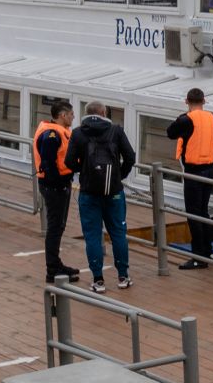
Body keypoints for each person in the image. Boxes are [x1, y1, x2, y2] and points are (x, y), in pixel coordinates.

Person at [67, 102, 136, 293]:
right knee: (118, 234)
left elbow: (69, 162)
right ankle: (123, 276)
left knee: (92, 236)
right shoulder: (116, 131)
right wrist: (118, 175)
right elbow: (130, 157)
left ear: (86, 114)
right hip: (113, 191)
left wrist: (85, 171)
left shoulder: (79, 133)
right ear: (104, 113)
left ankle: (98, 280)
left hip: (88, 192)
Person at [166, 88, 213, 270]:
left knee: (193, 214)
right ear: (204, 101)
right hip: (209, 171)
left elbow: (170, 133)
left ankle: (199, 257)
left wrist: (184, 116)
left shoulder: (186, 119)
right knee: (203, 212)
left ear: (186, 101)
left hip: (194, 172)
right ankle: (209, 251)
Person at [32, 99, 78, 283]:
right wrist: (58, 184)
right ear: (62, 115)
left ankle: (56, 263)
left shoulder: (56, 131)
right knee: (55, 227)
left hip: (58, 184)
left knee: (58, 226)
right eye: (71, 114)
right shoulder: (52, 134)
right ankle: (52, 269)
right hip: (54, 186)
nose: (73, 117)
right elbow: (48, 163)